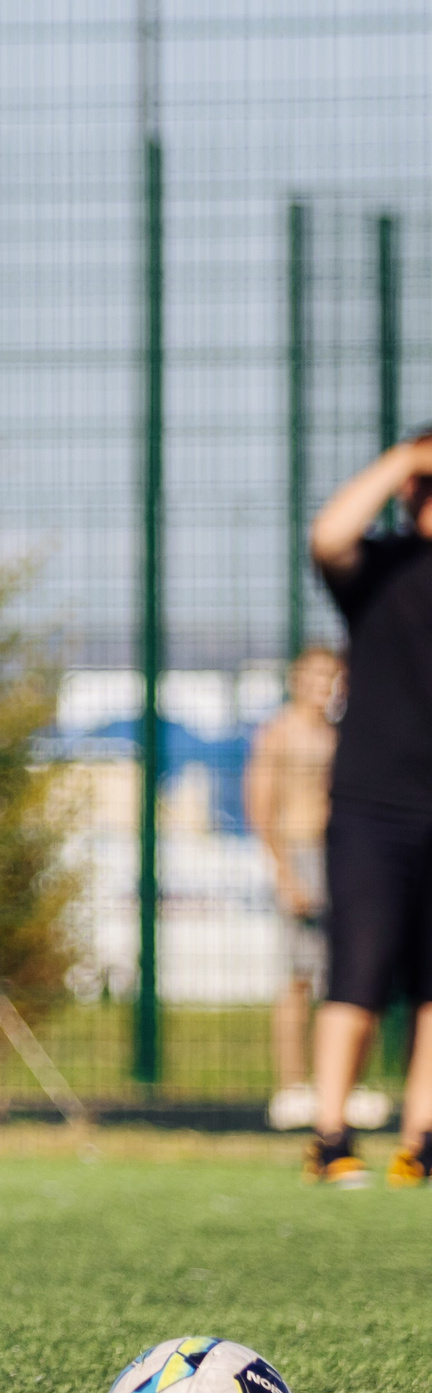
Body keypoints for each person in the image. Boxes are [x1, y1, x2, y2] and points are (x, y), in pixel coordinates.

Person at [305, 435, 432, 1187]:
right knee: (355, 971)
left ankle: (420, 1139)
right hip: (372, 806)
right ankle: (330, 1135)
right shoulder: (377, 568)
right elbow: (328, 534)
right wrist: (404, 458)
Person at [244, 648, 342, 1131]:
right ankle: (292, 1087)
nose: (325, 684)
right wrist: (286, 873)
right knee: (297, 980)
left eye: (333, 675)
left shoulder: (338, 735)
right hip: (299, 857)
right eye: (317, 674)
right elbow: (261, 809)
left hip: (340, 860)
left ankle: (334, 1085)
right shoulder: (279, 734)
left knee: (339, 980)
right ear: (297, 678)